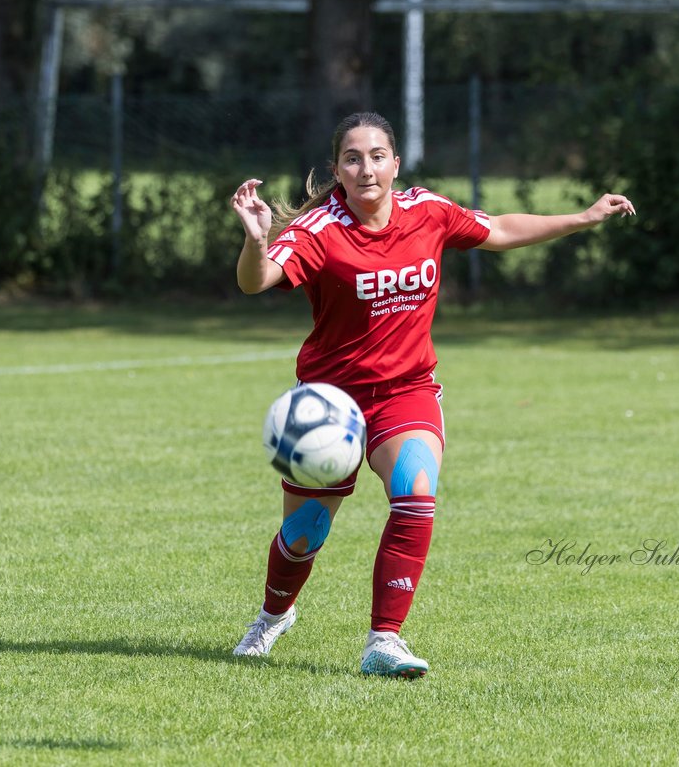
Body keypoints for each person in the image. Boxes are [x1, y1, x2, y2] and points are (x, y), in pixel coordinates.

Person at [229, 111, 635, 678]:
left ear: (395, 163)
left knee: (415, 493)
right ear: (337, 170)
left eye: (377, 156)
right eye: (352, 158)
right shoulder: (319, 230)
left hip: (406, 390)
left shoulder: (428, 212)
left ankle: (383, 641)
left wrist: (583, 218)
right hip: (328, 405)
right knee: (303, 535)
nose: (366, 167)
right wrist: (255, 239)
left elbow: (497, 230)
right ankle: (273, 617)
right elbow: (256, 280)